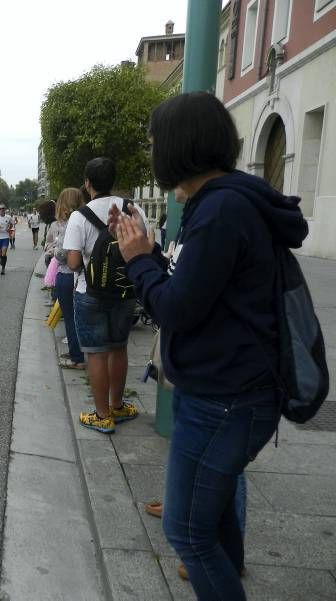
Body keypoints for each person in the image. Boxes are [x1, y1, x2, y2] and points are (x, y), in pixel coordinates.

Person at [114, 91, 307, 601]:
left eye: (156, 142)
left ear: (177, 147)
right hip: (233, 391)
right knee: (213, 520)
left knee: (187, 533)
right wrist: (154, 253)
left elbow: (175, 308)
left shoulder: (220, 211)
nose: (153, 151)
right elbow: (202, 289)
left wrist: (137, 259)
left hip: (224, 398)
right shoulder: (228, 200)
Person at [64, 157, 146, 433]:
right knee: (119, 347)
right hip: (125, 291)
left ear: (87, 184)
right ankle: (118, 405)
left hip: (89, 293)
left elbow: (74, 263)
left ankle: (102, 415)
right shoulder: (133, 211)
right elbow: (145, 246)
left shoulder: (79, 217)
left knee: (96, 354)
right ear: (114, 180)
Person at [45, 188, 85, 369]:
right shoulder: (83, 220)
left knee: (70, 317)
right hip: (79, 276)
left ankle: (77, 358)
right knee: (75, 316)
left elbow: (63, 253)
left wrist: (53, 250)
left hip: (67, 274)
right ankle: (77, 352)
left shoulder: (67, 224)